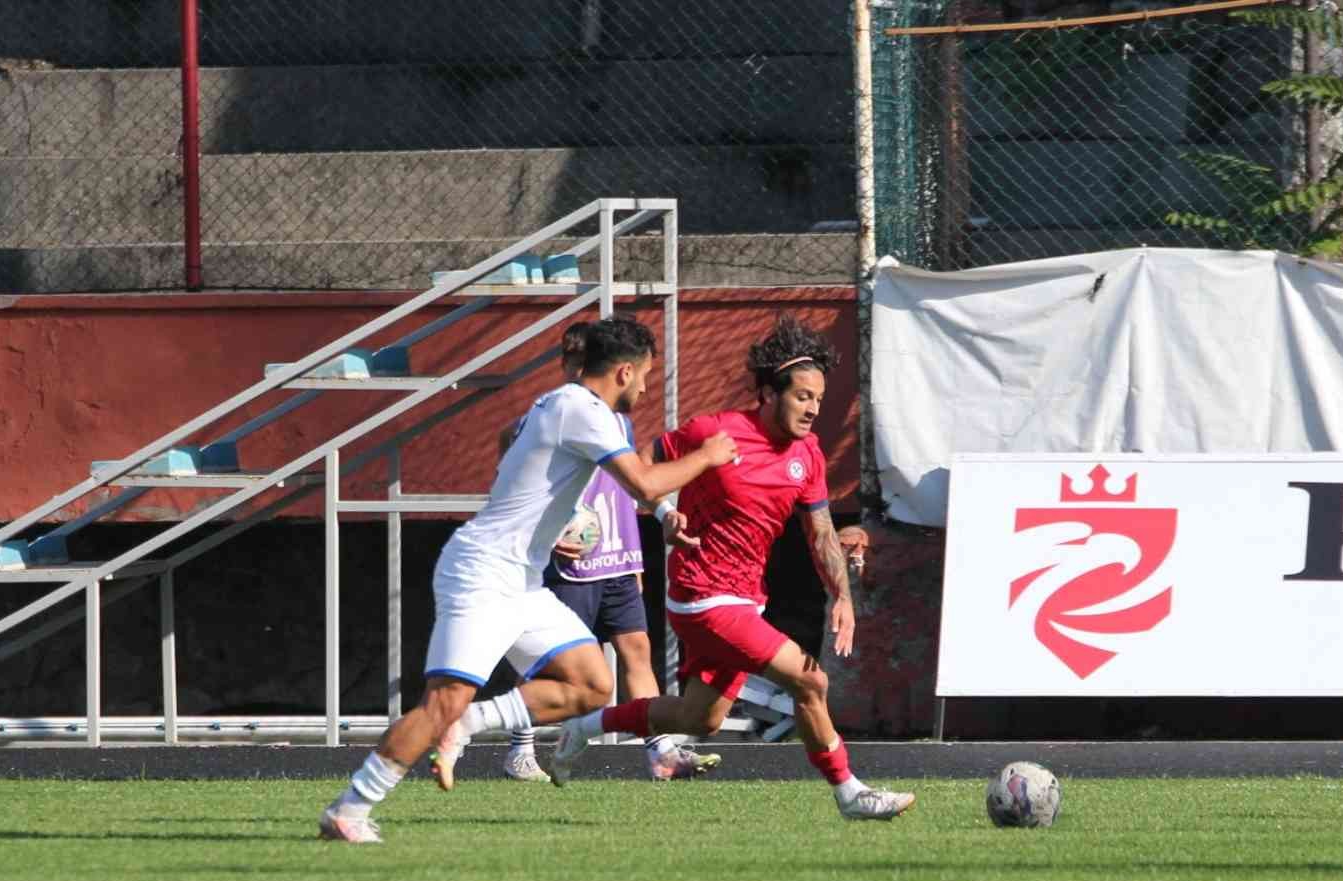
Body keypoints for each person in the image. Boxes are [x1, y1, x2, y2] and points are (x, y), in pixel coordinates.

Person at [318, 316, 738, 842]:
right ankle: (351, 807)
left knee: (590, 684)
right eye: (646, 377)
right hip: (484, 574)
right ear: (625, 372)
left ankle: (467, 723)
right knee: (441, 700)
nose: (648, 388)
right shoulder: (581, 409)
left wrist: (663, 515)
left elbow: (633, 489)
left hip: (520, 582)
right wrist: (708, 456)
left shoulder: (567, 406)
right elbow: (644, 479)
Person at [550, 315, 916, 821]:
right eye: (802, 396)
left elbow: (821, 533)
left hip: (746, 599)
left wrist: (845, 597)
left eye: (818, 399)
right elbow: (641, 464)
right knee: (810, 682)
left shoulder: (807, 454)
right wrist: (662, 513)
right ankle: (850, 792)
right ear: (768, 392)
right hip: (701, 596)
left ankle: (585, 727)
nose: (813, 409)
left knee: (700, 718)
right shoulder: (715, 431)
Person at [435, 323, 721, 785]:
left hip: (619, 555)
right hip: (573, 563)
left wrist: (662, 513)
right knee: (554, 663)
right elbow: (512, 442)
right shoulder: (561, 410)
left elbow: (637, 479)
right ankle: (520, 747)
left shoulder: (613, 417)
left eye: (576, 355)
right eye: (565, 358)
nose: (570, 365)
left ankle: (660, 752)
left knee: (636, 650)